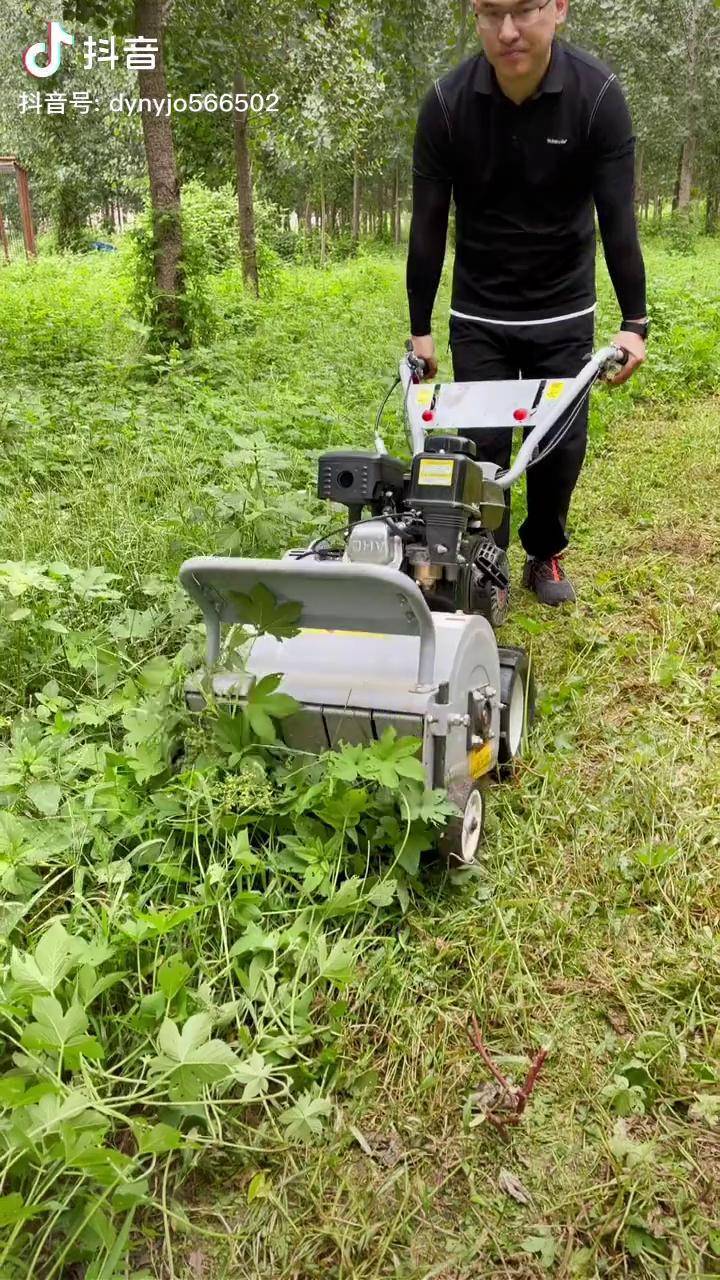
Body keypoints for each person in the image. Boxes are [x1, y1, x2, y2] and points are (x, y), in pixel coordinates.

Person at [406, 0, 648, 605]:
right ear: (474, 14)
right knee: (481, 449)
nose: (507, 32)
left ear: (558, 8)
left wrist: (635, 322)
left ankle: (545, 554)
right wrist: (421, 329)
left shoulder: (597, 97)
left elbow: (619, 220)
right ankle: (485, 564)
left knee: (557, 448)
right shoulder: (446, 104)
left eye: (524, 11)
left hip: (563, 307)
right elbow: (429, 224)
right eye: (491, 14)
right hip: (480, 311)